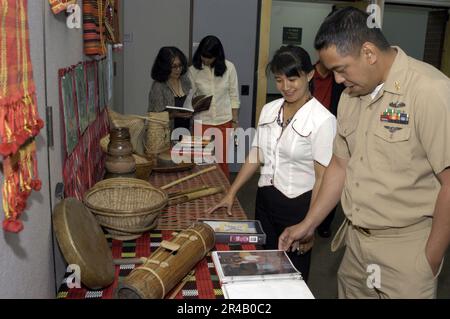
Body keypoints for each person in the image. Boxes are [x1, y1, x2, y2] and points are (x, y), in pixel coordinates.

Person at [278, 7, 450, 299]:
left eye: (341, 69)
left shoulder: (430, 91)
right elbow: (339, 166)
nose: (338, 80)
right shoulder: (350, 97)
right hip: (356, 246)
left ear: (369, 53)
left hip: (406, 251)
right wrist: (308, 224)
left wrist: (427, 260)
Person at [208, 45, 336, 282]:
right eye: (279, 80)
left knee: (291, 276)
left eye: (292, 79)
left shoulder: (323, 120)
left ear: (309, 75)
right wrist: (231, 192)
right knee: (263, 268)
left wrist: (310, 226)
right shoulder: (269, 110)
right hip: (265, 200)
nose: (285, 87)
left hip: (299, 206)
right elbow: (256, 154)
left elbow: (323, 178)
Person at [189, 35, 240, 178]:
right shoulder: (193, 70)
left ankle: (224, 192)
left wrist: (235, 121)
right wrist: (194, 103)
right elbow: (190, 97)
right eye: (203, 56)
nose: (205, 60)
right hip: (202, 121)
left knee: (222, 161)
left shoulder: (229, 68)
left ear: (217, 56)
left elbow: (234, 96)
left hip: (224, 121)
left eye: (209, 57)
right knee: (201, 160)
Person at [311, 60, 345, 238]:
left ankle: (325, 222)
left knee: (332, 176)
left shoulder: (339, 78)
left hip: (333, 133)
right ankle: (308, 217)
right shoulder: (307, 73)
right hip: (309, 133)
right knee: (312, 178)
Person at [148, 46, 192, 131]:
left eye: (180, 65)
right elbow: (155, 117)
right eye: (174, 66)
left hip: (186, 133)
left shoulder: (185, 80)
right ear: (165, 67)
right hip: (166, 135)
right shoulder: (158, 86)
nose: (178, 69)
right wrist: (173, 115)